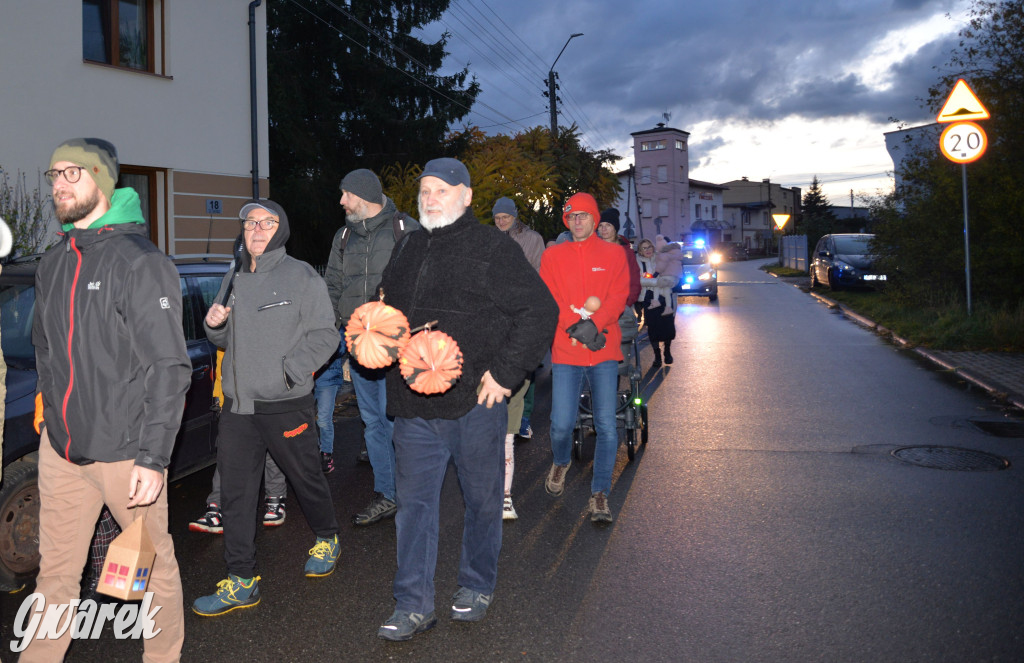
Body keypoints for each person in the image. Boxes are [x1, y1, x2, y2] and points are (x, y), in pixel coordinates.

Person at [375, 158, 556, 641]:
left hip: (475, 403)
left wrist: (505, 374)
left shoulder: (492, 248)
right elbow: (391, 311)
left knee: (481, 501)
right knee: (414, 508)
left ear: (467, 196)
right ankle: (412, 603)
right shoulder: (408, 246)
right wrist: (375, 335)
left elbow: (539, 311)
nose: (430, 198)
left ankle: (476, 584)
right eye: (425, 191)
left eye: (442, 190)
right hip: (414, 406)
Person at [25, 138, 188, 661]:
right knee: (55, 577)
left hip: (126, 452)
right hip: (63, 451)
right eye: (53, 174)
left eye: (72, 173)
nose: (58, 184)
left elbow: (168, 365)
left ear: (103, 178)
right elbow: (45, 348)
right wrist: (51, 418)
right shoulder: (54, 262)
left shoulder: (140, 263)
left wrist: (154, 456)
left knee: (151, 568)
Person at [192, 199, 341, 616]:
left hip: (285, 403)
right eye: (250, 223)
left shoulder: (301, 276)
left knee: (306, 477)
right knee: (237, 495)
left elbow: (325, 334)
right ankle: (242, 579)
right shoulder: (233, 276)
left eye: (266, 223)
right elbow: (223, 341)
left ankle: (327, 536)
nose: (256, 230)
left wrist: (289, 373)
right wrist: (214, 325)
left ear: (281, 229)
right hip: (238, 406)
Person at [324, 168, 420, 525]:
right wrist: (336, 330)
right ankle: (387, 493)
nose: (342, 201)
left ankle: (411, 492)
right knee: (374, 422)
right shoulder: (344, 236)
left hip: (397, 347)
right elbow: (333, 284)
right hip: (358, 346)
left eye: (346, 194)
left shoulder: (405, 230)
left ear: (362, 196)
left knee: (397, 420)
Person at [539, 192, 631, 524]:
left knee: (606, 425)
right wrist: (577, 327)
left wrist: (595, 324)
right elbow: (549, 297)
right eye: (572, 216)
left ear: (595, 220)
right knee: (561, 424)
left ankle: (599, 494)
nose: (578, 221)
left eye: (583, 215)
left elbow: (619, 294)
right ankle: (561, 461)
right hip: (566, 349)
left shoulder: (614, 253)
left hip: (604, 348)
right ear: (567, 221)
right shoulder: (553, 256)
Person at [491, 196, 545, 521]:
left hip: (522, 330)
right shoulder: (489, 240)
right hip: (492, 337)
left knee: (510, 423)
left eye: (505, 217)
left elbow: (536, 279)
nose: (500, 222)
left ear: (514, 217)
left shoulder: (532, 240)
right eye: (496, 218)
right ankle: (491, 491)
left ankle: (506, 496)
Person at [638, 236, 681, 366]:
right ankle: (657, 355)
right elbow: (639, 281)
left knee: (667, 326)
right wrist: (658, 281)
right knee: (653, 328)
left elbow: (674, 275)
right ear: (640, 251)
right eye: (644, 248)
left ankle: (667, 351)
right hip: (648, 297)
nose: (647, 250)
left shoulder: (662, 257)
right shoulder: (638, 262)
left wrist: (668, 281)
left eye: (649, 246)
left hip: (665, 297)